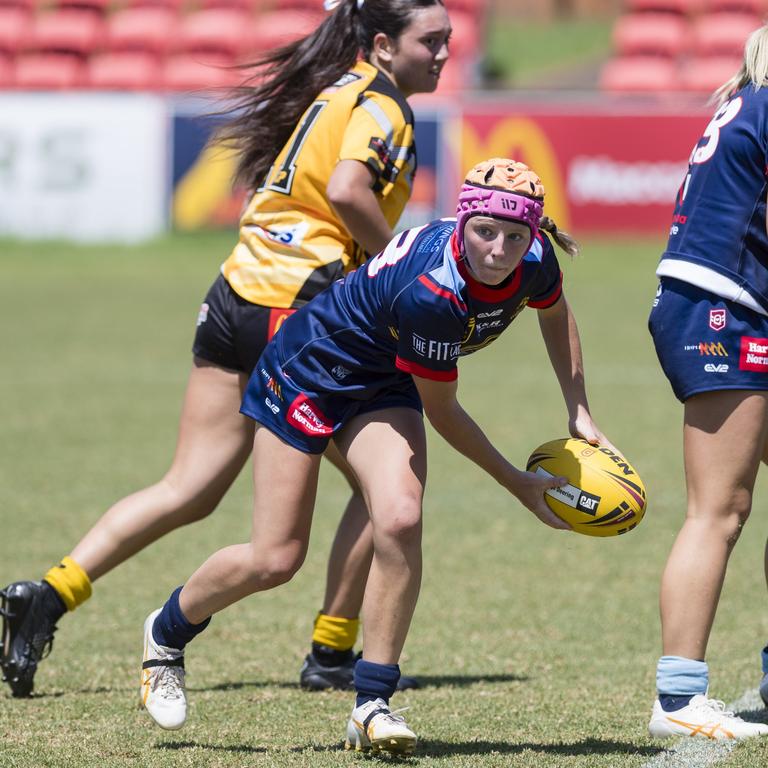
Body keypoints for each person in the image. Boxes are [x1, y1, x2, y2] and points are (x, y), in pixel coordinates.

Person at [0, 0, 451, 698]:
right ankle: (332, 654)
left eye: (450, 40)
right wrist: (401, 258)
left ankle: (49, 594)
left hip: (236, 293)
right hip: (299, 310)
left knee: (190, 485)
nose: (445, 52)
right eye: (433, 40)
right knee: (389, 485)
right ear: (386, 45)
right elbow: (346, 187)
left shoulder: (337, 86)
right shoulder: (383, 108)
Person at [138, 157, 609, 754]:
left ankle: (371, 705)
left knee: (401, 517)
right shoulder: (434, 291)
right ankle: (166, 632)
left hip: (384, 378)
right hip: (308, 369)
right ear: (463, 221)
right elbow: (444, 414)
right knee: (276, 558)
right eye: (485, 231)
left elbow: (556, 313)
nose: (499, 249)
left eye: (515, 236)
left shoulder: (535, 259)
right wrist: (516, 482)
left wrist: (579, 409)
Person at [647, 25, 768, 741]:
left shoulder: (748, 99)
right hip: (720, 307)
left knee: (724, 506)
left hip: (720, 301)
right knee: (718, 509)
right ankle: (678, 697)